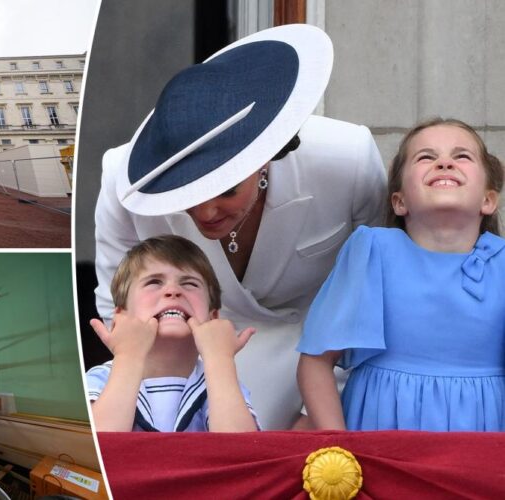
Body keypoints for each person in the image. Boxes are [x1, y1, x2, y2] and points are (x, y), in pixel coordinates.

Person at [93, 24, 387, 429]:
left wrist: (321, 410)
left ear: (265, 158)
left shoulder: (348, 160)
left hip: (318, 362)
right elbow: (119, 304)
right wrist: (158, 407)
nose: (207, 211)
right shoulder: (120, 177)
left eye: (226, 189)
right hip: (190, 370)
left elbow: (369, 299)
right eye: (186, 194)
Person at [297, 118, 505, 431]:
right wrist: (338, 446)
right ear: (400, 201)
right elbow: (316, 362)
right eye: (426, 157)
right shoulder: (372, 251)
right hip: (380, 435)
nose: (444, 163)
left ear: (489, 200)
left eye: (462, 156)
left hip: (483, 440)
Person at [86, 235, 259, 432]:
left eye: (190, 284)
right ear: (121, 316)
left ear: (213, 318)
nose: (173, 291)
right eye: (154, 282)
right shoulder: (100, 379)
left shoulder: (220, 379)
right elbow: (101, 446)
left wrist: (219, 358)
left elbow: (240, 450)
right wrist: (128, 356)